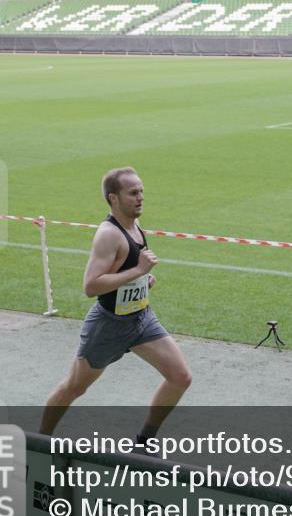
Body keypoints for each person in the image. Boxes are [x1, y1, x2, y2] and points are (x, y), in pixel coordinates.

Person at [39, 167, 192, 446]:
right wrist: (137, 272)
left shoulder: (136, 227)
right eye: (133, 193)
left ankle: (144, 442)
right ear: (113, 198)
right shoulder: (108, 234)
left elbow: (128, 270)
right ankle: (39, 441)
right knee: (74, 387)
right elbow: (91, 286)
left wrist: (144, 279)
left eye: (142, 191)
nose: (140, 198)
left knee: (180, 377)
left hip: (141, 319)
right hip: (108, 326)